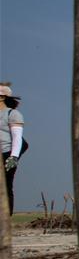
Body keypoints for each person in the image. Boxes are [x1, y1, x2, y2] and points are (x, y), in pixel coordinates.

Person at [0, 84, 25, 213]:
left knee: (5, 186)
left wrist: (13, 157)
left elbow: (17, 138)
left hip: (6, 154)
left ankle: (5, 217)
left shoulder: (12, 114)